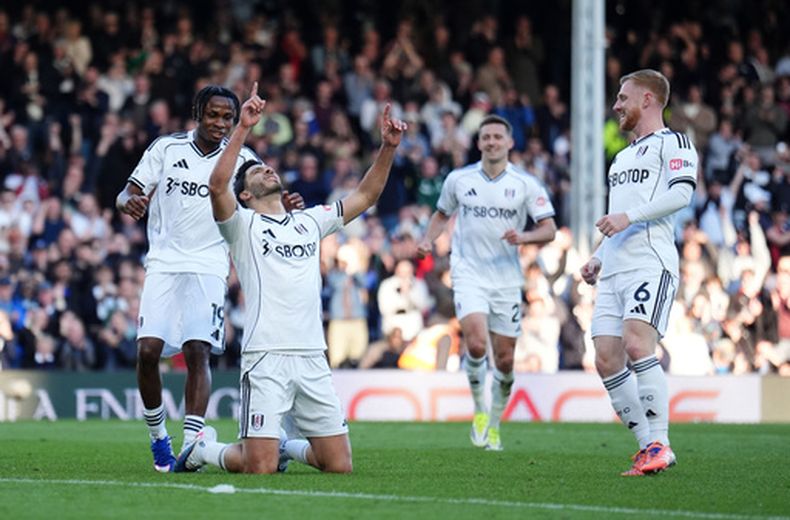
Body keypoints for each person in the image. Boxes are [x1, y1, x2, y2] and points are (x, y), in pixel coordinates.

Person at [175, 83, 405, 474]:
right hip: (266, 357)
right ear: (245, 196)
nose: (266, 168)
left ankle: (286, 445)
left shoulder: (310, 221)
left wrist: (388, 148)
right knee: (257, 468)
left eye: (267, 167)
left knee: (338, 466)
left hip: (313, 356)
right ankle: (202, 449)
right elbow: (217, 186)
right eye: (255, 173)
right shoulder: (241, 226)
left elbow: (365, 196)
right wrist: (243, 127)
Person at [116, 85, 302, 472]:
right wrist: (128, 202)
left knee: (197, 349)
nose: (220, 123)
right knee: (147, 352)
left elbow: (264, 194)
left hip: (210, 263)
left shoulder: (241, 158)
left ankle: (191, 443)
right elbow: (127, 191)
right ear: (198, 113)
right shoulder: (167, 149)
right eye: (213, 115)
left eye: (227, 118)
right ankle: (158, 438)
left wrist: (288, 203)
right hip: (164, 262)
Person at [580, 69, 698, 476]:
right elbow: (618, 219)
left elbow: (681, 193)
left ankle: (661, 443)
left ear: (647, 100)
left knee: (635, 344)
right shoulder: (622, 158)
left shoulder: (674, 143)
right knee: (606, 357)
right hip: (614, 268)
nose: (616, 105)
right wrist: (598, 253)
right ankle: (648, 446)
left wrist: (628, 217)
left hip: (651, 262)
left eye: (622, 97)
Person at [417, 114, 557, 451]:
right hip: (468, 273)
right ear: (478, 143)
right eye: (486, 137)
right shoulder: (459, 180)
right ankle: (480, 411)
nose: (492, 142)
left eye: (498, 137)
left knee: (505, 361)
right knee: (476, 344)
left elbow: (549, 229)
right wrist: (428, 239)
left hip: (507, 279)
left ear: (510, 143)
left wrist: (523, 236)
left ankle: (494, 423)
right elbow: (441, 214)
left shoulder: (526, 184)